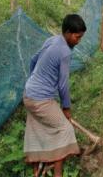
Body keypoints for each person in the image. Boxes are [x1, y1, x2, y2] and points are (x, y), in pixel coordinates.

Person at [23, 14, 86, 177]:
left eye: (80, 37)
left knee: (37, 127)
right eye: (76, 37)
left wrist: (34, 81)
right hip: (40, 99)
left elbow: (32, 60)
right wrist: (66, 108)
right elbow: (63, 84)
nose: (78, 41)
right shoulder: (64, 51)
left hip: (28, 94)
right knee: (65, 129)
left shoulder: (51, 40)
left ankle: (36, 170)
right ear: (67, 32)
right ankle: (58, 174)